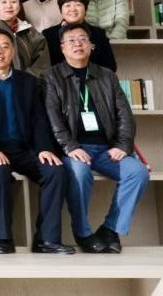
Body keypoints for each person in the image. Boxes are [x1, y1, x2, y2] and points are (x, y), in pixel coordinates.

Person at [0, 30, 73, 255]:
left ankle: (47, 239)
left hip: (24, 149)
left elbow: (39, 119)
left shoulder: (28, 82)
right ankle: (4, 239)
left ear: (13, 51)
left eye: (5, 46)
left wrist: (44, 148)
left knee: (55, 171)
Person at [44, 22, 150, 254]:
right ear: (62, 47)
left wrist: (122, 145)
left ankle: (110, 229)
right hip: (74, 149)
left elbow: (125, 115)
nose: (78, 44)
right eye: (71, 41)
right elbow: (52, 118)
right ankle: (82, 233)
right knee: (80, 173)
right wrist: (70, 147)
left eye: (83, 39)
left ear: (91, 45)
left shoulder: (107, 76)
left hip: (106, 149)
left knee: (138, 172)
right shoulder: (51, 77)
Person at [42, 0, 118, 71]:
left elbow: (110, 66)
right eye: (67, 5)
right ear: (61, 10)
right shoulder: (48, 35)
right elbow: (44, 67)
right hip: (57, 79)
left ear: (85, 9)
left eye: (78, 5)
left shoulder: (99, 34)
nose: (73, 9)